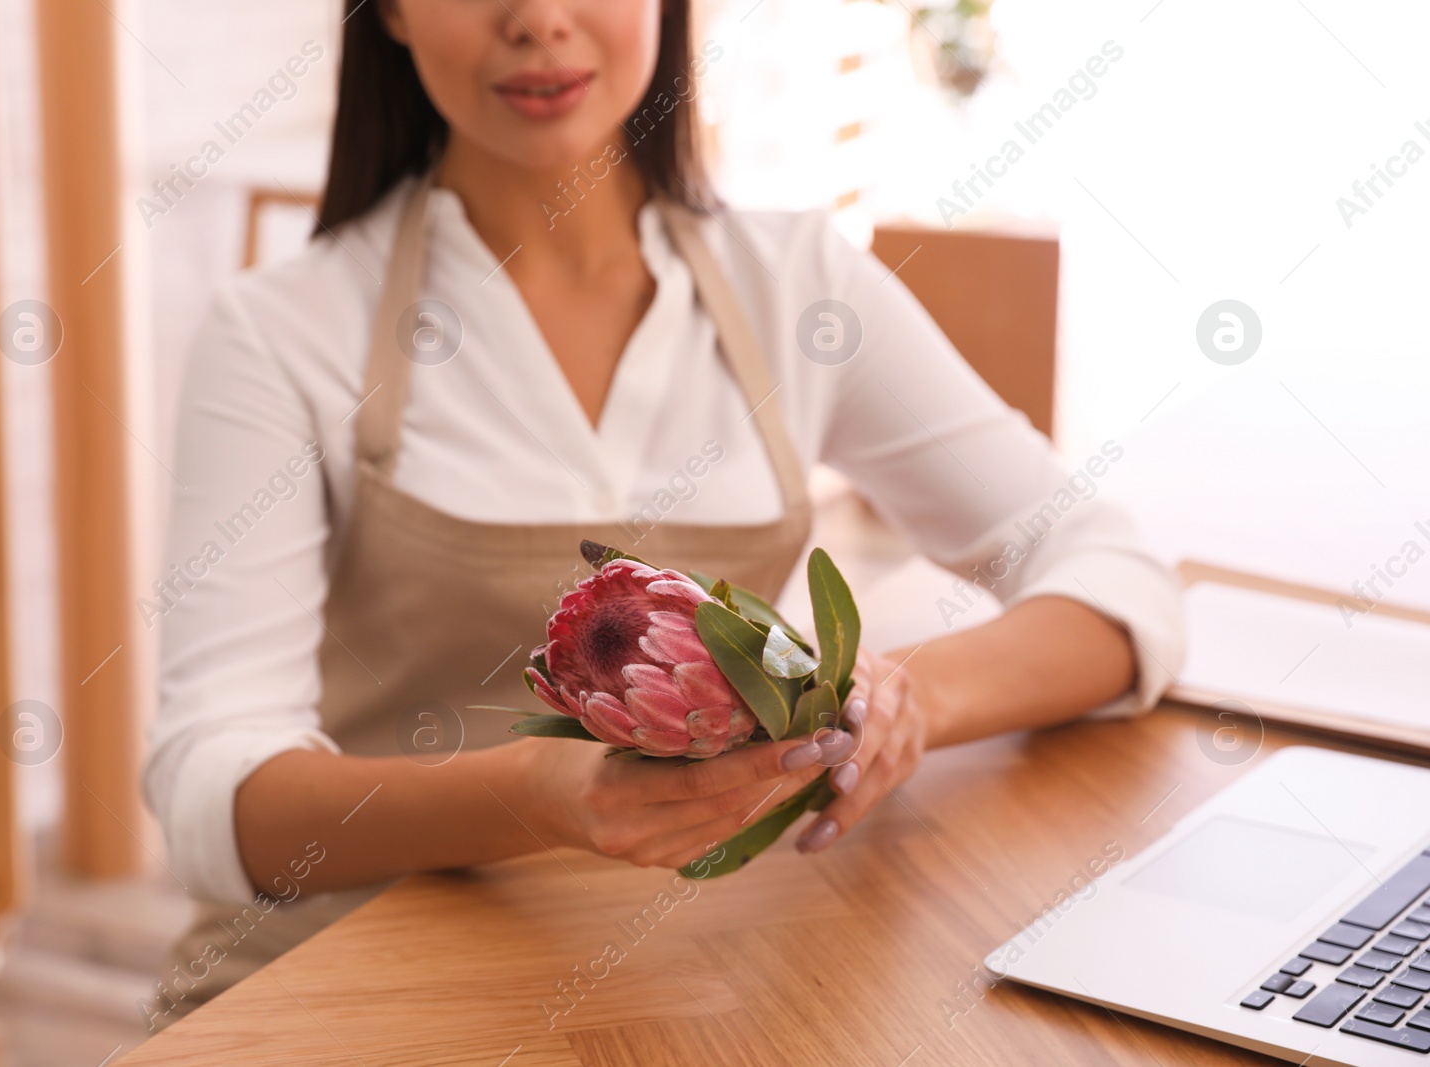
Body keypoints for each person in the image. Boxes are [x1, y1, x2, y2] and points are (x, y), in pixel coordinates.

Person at [141, 0, 1183, 1021]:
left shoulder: (797, 288)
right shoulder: (281, 334)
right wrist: (534, 795)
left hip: (668, 986)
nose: (538, 19)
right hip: (331, 988)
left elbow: (1117, 576)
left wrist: (905, 699)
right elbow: (212, 798)